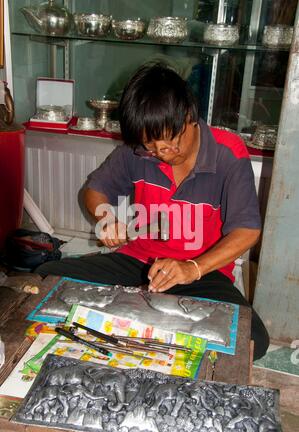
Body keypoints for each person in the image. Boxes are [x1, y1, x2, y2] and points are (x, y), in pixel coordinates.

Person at [36, 63, 269, 360]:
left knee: (253, 340)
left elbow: (247, 229)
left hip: (200, 274)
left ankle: (145, 317)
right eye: (152, 147)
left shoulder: (228, 154)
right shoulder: (138, 152)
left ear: (188, 115)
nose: (162, 154)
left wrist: (192, 268)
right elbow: (94, 191)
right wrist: (105, 217)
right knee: (46, 278)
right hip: (137, 263)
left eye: (171, 143)